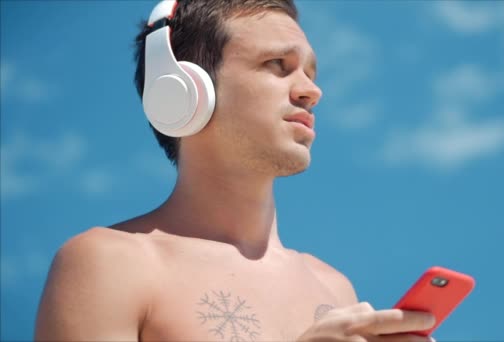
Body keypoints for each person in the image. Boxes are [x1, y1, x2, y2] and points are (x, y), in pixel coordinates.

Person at [35, 0, 436, 340]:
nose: (312, 91)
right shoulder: (109, 263)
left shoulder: (334, 286)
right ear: (183, 91)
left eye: (310, 73)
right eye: (278, 64)